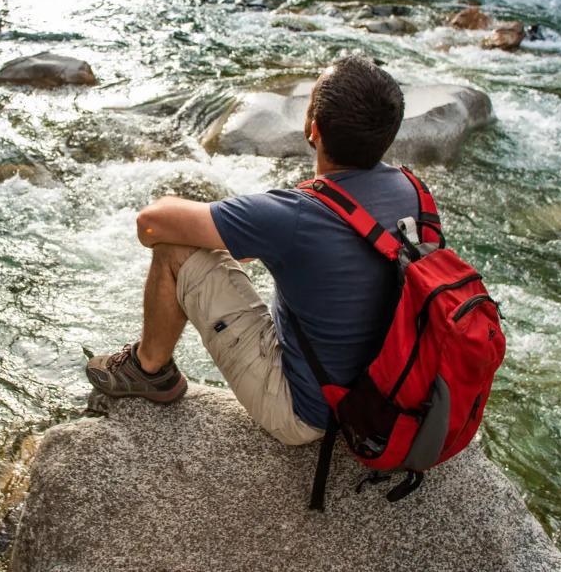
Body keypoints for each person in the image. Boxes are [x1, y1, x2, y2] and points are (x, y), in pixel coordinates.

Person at [85, 55, 419, 444]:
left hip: (309, 414)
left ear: (313, 129)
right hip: (393, 395)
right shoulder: (414, 192)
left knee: (174, 248)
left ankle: (148, 368)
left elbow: (150, 224)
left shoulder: (296, 215)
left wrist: (188, 206)